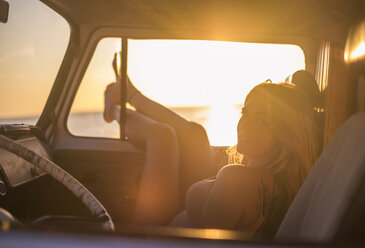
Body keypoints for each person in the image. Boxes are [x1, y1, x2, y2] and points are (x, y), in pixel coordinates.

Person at [103, 61, 319, 239]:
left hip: (156, 238)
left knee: (162, 136)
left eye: (262, 120)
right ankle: (129, 95)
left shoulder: (238, 180)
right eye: (246, 112)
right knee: (196, 134)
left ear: (285, 133)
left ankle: (113, 110)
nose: (245, 125)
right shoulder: (279, 180)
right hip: (179, 224)